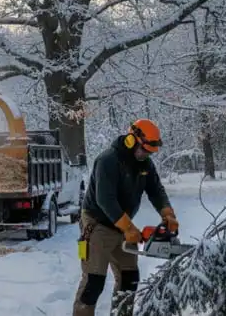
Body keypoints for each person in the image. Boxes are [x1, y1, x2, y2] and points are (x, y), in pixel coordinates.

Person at [72, 119, 179, 316]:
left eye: (150, 152)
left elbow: (156, 190)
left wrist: (167, 214)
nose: (146, 155)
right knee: (93, 283)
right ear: (131, 140)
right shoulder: (108, 160)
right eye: (144, 150)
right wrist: (129, 228)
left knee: (129, 278)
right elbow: (105, 200)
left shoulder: (144, 163)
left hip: (122, 225)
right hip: (97, 225)